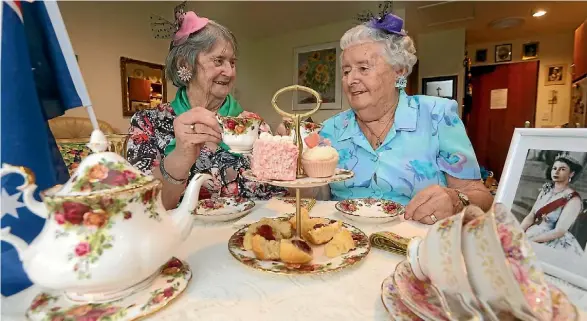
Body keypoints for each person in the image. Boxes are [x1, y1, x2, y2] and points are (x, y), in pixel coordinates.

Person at [277, 13, 492, 224]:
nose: (351, 79)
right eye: (345, 71)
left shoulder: (437, 115)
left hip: (418, 246)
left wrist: (456, 200)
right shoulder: (330, 129)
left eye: (363, 68)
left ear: (398, 71)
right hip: (346, 244)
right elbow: (318, 200)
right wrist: (294, 162)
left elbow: (481, 197)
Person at [127, 11, 285, 209]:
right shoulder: (147, 123)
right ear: (185, 64)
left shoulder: (254, 125)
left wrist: (290, 156)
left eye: (232, 62)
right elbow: (141, 208)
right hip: (183, 237)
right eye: (218, 61)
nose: (229, 72)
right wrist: (180, 157)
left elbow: (278, 196)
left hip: (246, 234)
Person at [520, 153, 584, 256]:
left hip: (552, 241)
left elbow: (559, 231)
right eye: (554, 168)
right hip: (531, 233)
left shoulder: (573, 199)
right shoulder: (546, 190)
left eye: (562, 169)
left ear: (571, 173)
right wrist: (518, 232)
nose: (556, 172)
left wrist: (530, 240)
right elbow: (531, 215)